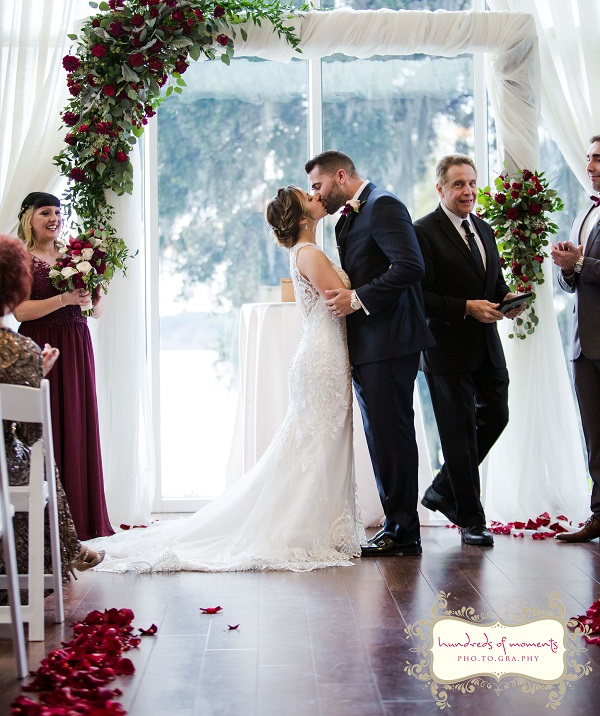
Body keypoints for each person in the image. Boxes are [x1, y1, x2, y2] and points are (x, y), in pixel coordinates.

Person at [88, 186, 365, 572]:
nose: (319, 197)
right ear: (303, 217)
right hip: (323, 360)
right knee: (319, 443)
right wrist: (380, 286)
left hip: (323, 355)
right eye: (310, 196)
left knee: (319, 444)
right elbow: (340, 301)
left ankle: (316, 524)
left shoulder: (302, 252)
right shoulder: (311, 253)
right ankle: (303, 529)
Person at [305, 151, 434, 557]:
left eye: (318, 185)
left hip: (391, 341)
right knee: (381, 435)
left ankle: (404, 530)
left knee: (391, 433)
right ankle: (397, 524)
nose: (316, 194)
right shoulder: (348, 216)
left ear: (340, 176)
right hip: (368, 343)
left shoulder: (384, 205)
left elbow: (410, 266)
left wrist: (358, 298)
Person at [413, 155, 525, 546]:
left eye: (473, 183)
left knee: (497, 413)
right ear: (440, 189)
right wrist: (464, 308)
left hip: (487, 344)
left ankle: (442, 490)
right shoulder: (422, 232)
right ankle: (471, 519)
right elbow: (418, 295)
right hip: (446, 348)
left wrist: (508, 297)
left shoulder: (484, 228)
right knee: (457, 434)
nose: (468, 191)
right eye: (459, 184)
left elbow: (493, 282)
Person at [0, 234, 104, 594]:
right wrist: (35, 374)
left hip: (73, 336)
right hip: (5, 467)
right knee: (41, 461)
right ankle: (61, 551)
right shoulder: (16, 349)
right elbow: (30, 432)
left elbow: (97, 310)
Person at [12, 192, 113, 540]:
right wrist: (63, 299)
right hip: (43, 345)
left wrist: (95, 297)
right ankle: (50, 526)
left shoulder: (75, 254)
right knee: (50, 424)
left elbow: (94, 312)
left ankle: (83, 520)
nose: (54, 217)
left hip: (77, 341)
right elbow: (19, 311)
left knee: (78, 421)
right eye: (45, 212)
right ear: (29, 217)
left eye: (58, 211)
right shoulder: (22, 259)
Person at [551, 135, 600, 543]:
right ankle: (599, 513)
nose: (590, 165)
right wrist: (568, 266)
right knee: (594, 434)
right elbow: (573, 283)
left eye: (598, 158)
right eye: (588, 158)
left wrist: (581, 262)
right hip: (584, 343)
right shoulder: (585, 211)